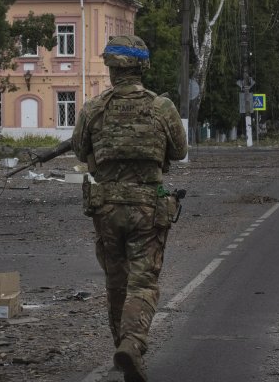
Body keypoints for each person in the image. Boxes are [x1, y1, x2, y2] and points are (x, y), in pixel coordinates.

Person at [74, 35, 188, 382]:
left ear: (110, 68)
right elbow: (180, 151)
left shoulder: (94, 108)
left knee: (116, 282)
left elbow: (80, 150)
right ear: (142, 67)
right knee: (143, 282)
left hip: (106, 207)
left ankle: (120, 349)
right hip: (147, 207)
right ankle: (132, 343)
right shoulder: (161, 107)